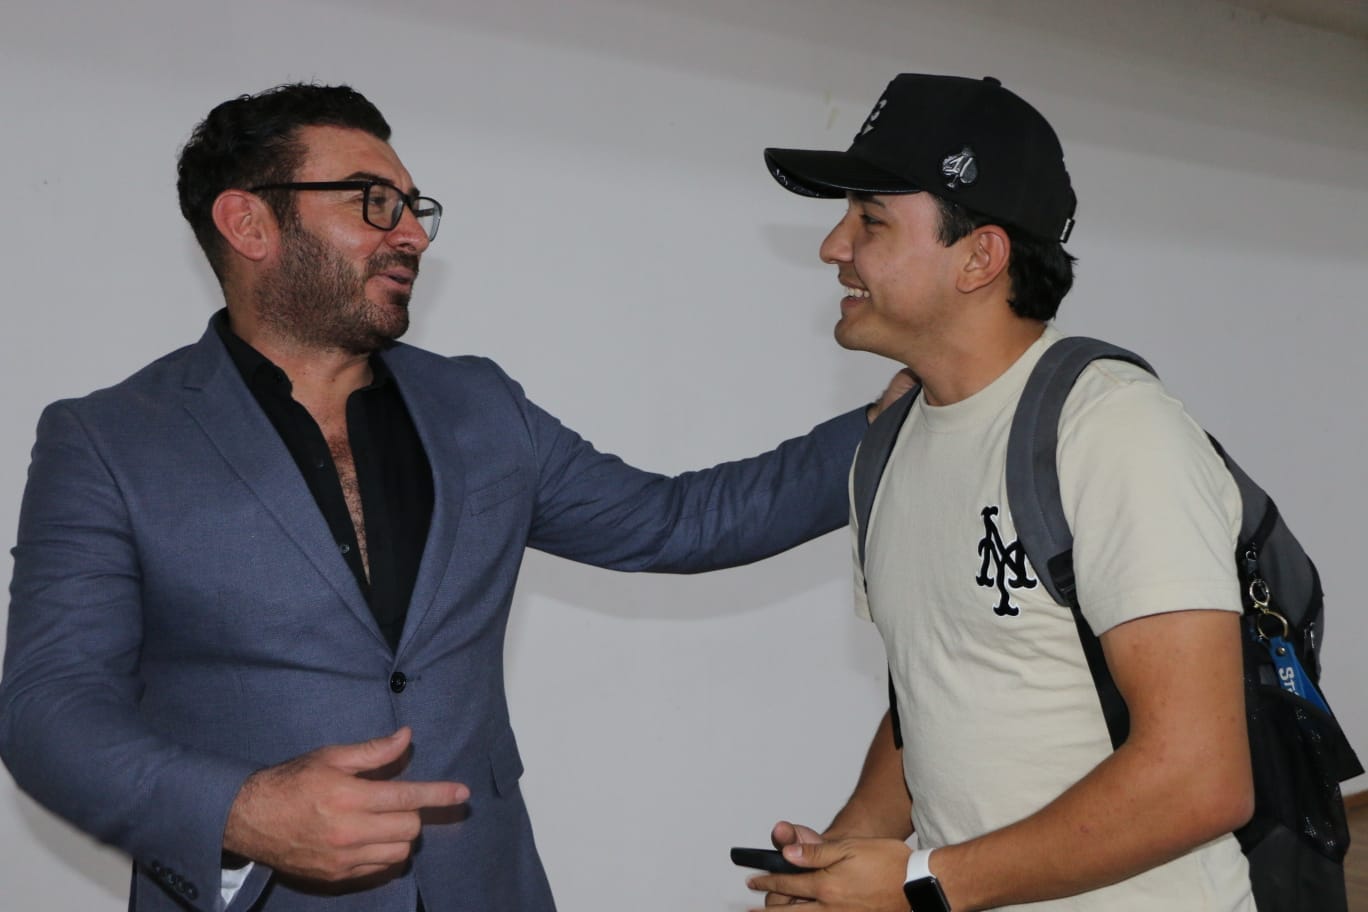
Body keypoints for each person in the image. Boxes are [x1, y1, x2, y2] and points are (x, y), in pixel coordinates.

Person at [0, 83, 894, 912]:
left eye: (412, 207)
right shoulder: (108, 440)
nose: (413, 237)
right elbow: (49, 709)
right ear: (249, 222)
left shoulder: (480, 406)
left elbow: (681, 522)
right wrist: (241, 811)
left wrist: (897, 422)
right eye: (373, 203)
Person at [746, 74, 1255, 911]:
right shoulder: (886, 449)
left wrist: (922, 886)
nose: (834, 247)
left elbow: (1201, 778)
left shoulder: (1113, 429)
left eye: (871, 219)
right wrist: (835, 865)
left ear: (981, 257)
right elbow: (937, 693)